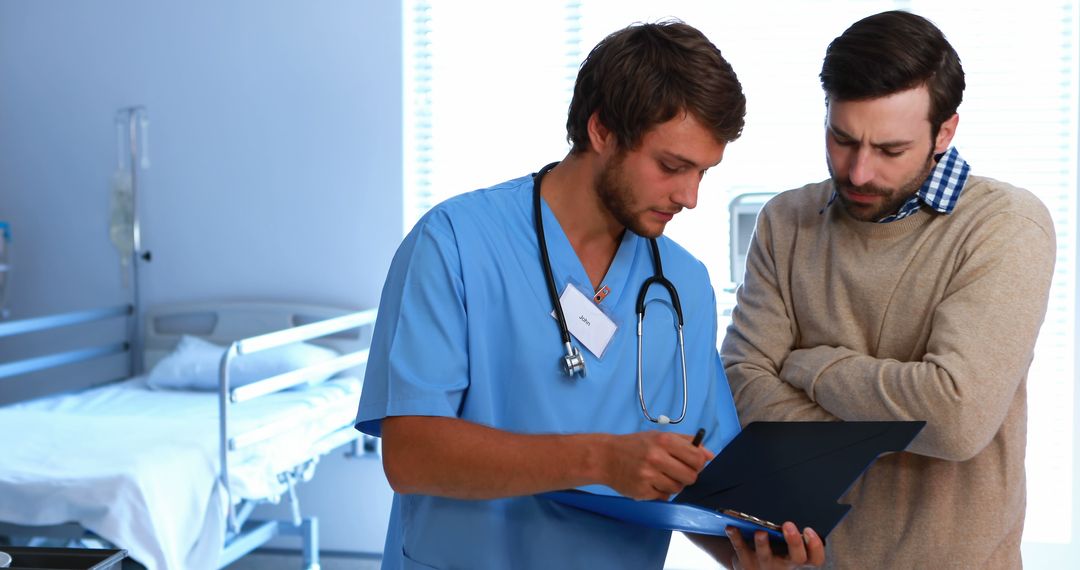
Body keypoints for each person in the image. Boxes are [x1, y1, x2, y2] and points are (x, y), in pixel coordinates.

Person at [356, 20, 825, 570]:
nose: (690, 196)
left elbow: (703, 479)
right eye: (672, 166)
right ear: (602, 130)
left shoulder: (681, 284)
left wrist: (751, 554)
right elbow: (411, 454)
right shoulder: (455, 244)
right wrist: (600, 459)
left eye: (703, 171)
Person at [721, 10, 1056, 569]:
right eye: (842, 139)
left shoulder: (1005, 227)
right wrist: (895, 411)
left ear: (944, 132)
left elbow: (954, 419)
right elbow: (741, 387)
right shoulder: (786, 220)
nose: (857, 172)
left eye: (890, 150)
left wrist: (812, 368)